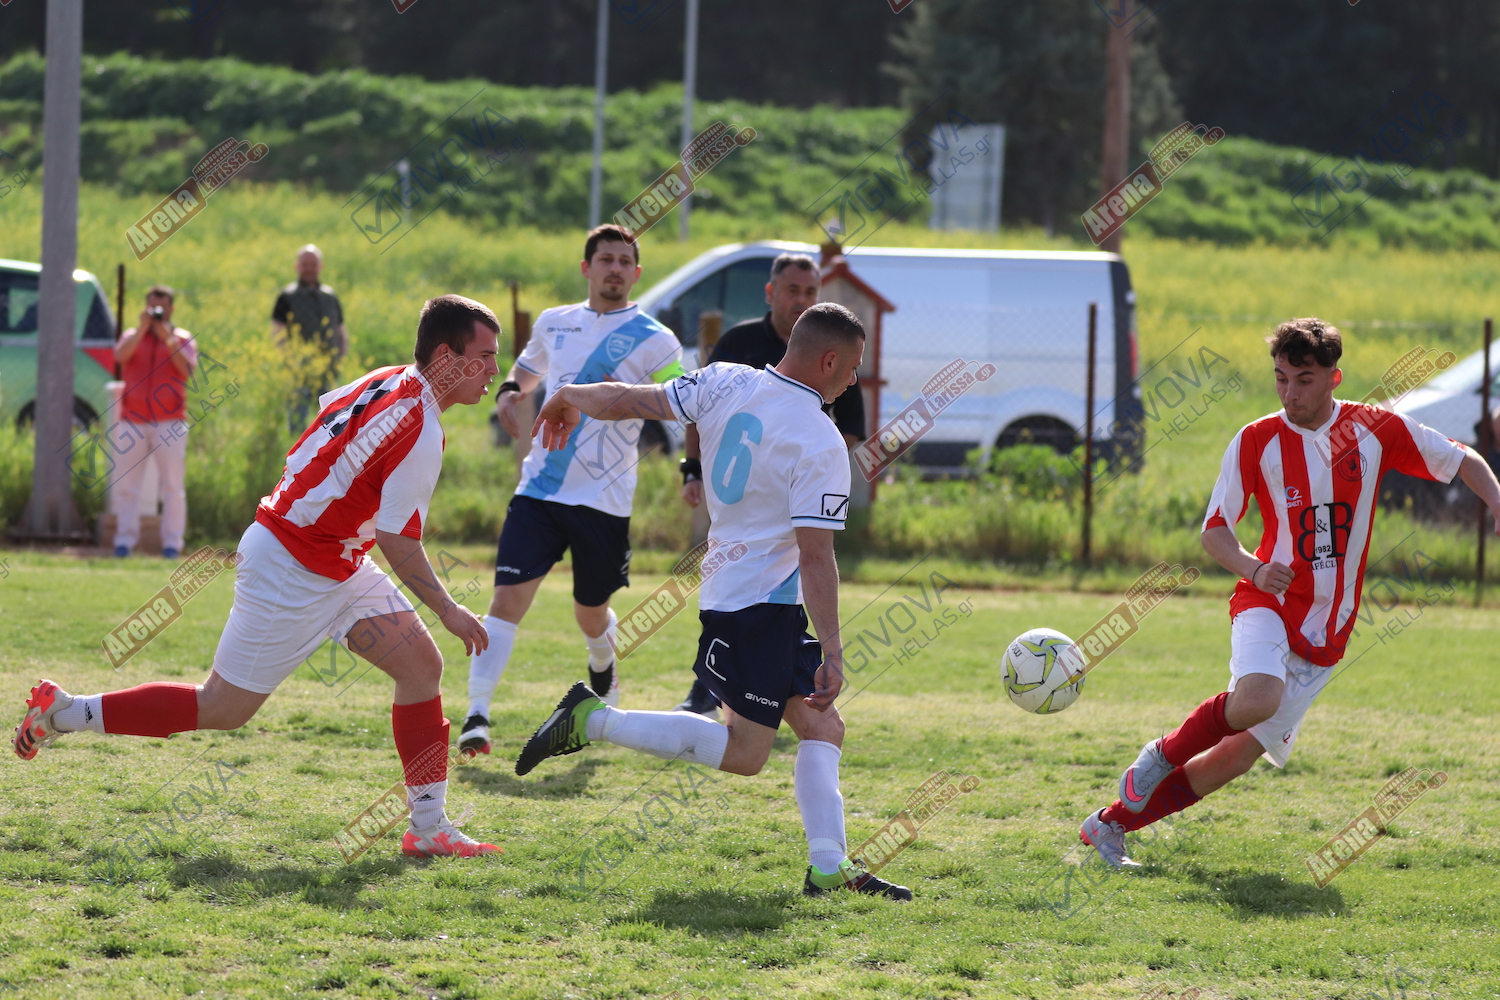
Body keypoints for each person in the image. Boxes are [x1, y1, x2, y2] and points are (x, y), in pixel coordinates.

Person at [15, 295, 506, 859]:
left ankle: (428, 828)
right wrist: (448, 609)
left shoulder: (389, 378)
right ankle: (65, 711)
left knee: (421, 667)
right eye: (485, 356)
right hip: (292, 568)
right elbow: (398, 538)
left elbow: (322, 437)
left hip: (332, 558)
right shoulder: (419, 427)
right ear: (445, 357)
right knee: (222, 707)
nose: (494, 369)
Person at [513, 302, 912, 900]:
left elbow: (627, 400)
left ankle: (829, 866)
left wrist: (567, 394)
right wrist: (833, 649)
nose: (854, 379)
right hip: (759, 608)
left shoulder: (725, 379)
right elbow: (816, 557)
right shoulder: (820, 441)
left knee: (822, 725)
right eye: (853, 367)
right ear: (829, 361)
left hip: (743, 597)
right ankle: (593, 720)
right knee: (747, 754)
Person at [1080, 318, 1500, 867]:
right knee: (1257, 698)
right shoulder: (1256, 439)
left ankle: (1108, 825)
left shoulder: (1373, 429)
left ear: (1333, 378)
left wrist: (1497, 500)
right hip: (1267, 602)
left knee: (1230, 760)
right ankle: (1161, 753)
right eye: (1281, 378)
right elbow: (1215, 530)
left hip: (1328, 629)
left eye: (1304, 380)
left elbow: (1462, 458)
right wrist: (1253, 569)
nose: (1290, 393)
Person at [458, 224, 685, 757]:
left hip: (605, 500)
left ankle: (603, 669)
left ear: (636, 273)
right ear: (586, 268)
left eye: (624, 261)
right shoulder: (553, 321)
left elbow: (682, 398)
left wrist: (693, 464)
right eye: (606, 259)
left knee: (591, 613)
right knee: (506, 601)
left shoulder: (657, 338)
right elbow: (526, 371)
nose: (615, 269)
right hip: (539, 489)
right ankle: (476, 715)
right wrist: (509, 393)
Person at [671, 252, 866, 719]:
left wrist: (812, 475)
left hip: (788, 530)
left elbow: (848, 431)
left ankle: (716, 692)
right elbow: (698, 407)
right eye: (793, 290)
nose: (801, 299)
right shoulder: (739, 344)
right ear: (770, 292)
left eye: (810, 291)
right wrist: (692, 468)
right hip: (749, 552)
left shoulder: (836, 348)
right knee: (746, 739)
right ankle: (692, 696)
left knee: (822, 726)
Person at [112, 284, 199, 560]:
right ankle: (124, 542)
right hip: (133, 420)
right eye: (151, 306)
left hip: (170, 422)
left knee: (172, 486)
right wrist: (142, 330)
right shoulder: (132, 335)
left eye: (161, 307)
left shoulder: (181, 338)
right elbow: (120, 357)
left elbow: (187, 370)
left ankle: (172, 544)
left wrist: (168, 339)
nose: (156, 312)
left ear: (172, 308)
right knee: (128, 485)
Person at [272, 244, 349, 426]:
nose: (309, 268)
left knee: (331, 423)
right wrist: (291, 363)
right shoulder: (287, 297)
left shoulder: (330, 296)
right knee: (297, 421)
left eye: (313, 264)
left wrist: (339, 359)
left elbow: (340, 331)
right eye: (305, 264)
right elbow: (278, 334)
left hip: (328, 370)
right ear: (297, 266)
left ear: (320, 266)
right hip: (298, 372)